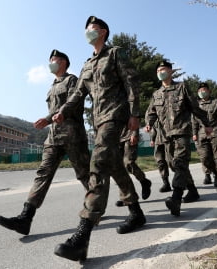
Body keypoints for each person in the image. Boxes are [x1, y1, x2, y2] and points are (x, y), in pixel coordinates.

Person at [52, 16, 146, 262]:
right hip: (99, 121)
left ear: (103, 32)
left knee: (99, 165)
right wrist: (62, 110)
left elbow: (132, 83)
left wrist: (136, 114)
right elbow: (77, 93)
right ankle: (136, 212)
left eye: (92, 29)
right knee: (115, 166)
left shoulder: (115, 53)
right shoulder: (86, 65)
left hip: (116, 116)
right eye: (86, 30)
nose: (88, 33)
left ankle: (81, 238)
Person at [0, 50, 90, 236]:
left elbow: (73, 101)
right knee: (43, 174)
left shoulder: (72, 80)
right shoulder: (51, 87)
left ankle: (97, 207)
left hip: (73, 136)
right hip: (53, 137)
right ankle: (25, 218)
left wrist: (49, 118)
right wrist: (48, 120)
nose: (51, 63)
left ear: (63, 62)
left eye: (54, 60)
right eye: (50, 60)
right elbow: (53, 111)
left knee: (84, 174)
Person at [145, 60, 212, 217]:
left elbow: (195, 107)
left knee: (180, 163)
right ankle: (193, 191)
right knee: (174, 165)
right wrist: (149, 123)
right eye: (158, 70)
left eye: (164, 69)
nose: (161, 72)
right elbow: (151, 112)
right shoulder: (156, 94)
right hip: (166, 136)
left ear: (171, 71)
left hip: (181, 132)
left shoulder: (182, 87)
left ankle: (176, 198)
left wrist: (206, 124)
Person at [191, 82, 217, 192]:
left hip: (216, 132)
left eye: (204, 90)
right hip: (202, 134)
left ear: (209, 91)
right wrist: (194, 133)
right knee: (205, 158)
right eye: (199, 91)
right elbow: (194, 121)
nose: (202, 92)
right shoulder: (196, 105)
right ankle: (215, 174)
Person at [115, 126, 152, 207]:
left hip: (129, 134)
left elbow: (134, 114)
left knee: (128, 162)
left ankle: (144, 181)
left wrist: (134, 133)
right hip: (116, 137)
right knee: (120, 167)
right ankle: (126, 196)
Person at [149, 122, 171, 192]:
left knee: (173, 161)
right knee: (160, 162)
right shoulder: (151, 112)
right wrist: (152, 139)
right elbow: (153, 127)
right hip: (158, 140)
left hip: (169, 139)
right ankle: (166, 183)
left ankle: (182, 181)